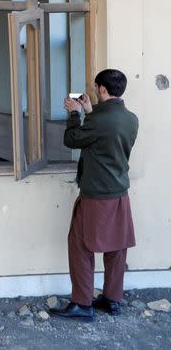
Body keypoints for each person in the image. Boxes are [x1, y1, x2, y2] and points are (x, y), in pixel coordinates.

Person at [49, 69, 139, 321]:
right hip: (119, 191)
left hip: (96, 194)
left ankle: (82, 303)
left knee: (79, 245)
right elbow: (106, 137)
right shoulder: (132, 118)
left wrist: (74, 113)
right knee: (117, 248)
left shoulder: (98, 121)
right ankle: (112, 299)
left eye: (96, 87)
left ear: (101, 89)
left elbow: (72, 139)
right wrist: (90, 111)